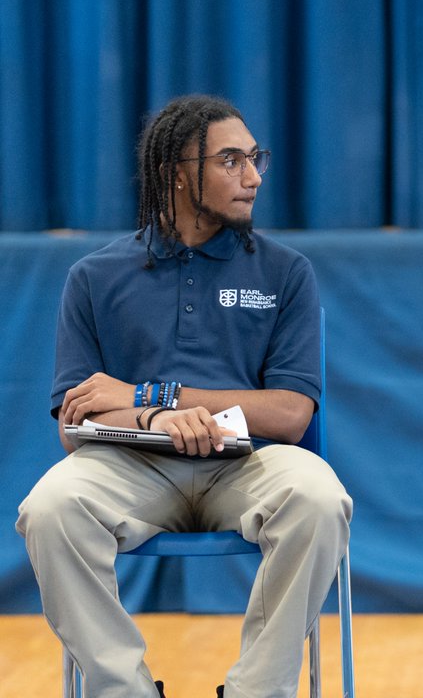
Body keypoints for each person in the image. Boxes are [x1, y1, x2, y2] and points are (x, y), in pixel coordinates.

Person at [16, 94, 353, 698]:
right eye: (230, 161)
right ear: (177, 172)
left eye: (256, 159)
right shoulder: (94, 277)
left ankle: (256, 691)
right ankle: (125, 690)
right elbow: (72, 427)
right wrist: (156, 418)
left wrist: (148, 393)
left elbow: (291, 413)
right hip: (131, 466)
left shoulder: (286, 272)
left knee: (319, 497)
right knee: (50, 508)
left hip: (247, 462)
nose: (252, 177)